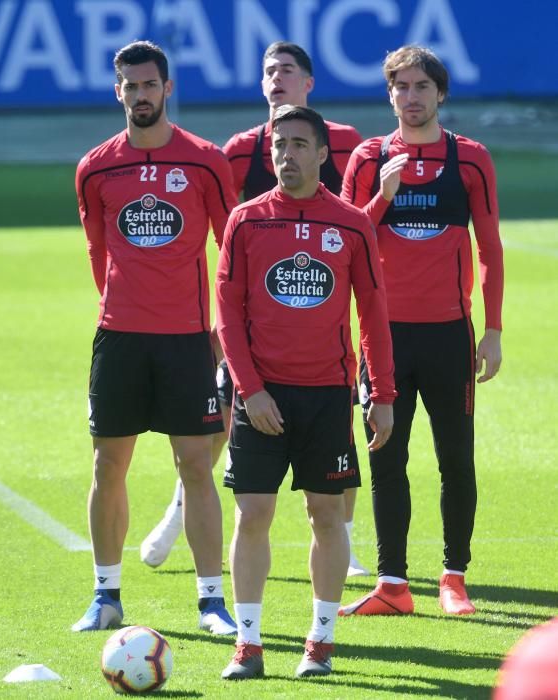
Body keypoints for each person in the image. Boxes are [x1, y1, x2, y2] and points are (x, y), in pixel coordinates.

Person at [141, 41, 370, 578]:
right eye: (268, 71)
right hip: (252, 319)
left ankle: (348, 545)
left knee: (338, 435)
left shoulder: (344, 142)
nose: (276, 79)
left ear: (309, 83)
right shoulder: (241, 150)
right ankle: (177, 519)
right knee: (223, 425)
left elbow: (359, 229)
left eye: (287, 70)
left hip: (321, 312)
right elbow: (223, 232)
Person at [217, 104, 395, 680]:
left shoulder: (352, 224)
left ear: (323, 153)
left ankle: (320, 641)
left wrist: (382, 393)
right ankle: (248, 644)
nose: (285, 155)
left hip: (326, 397)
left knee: (326, 515)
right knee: (253, 515)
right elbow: (227, 313)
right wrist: (251, 391)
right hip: (262, 397)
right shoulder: (245, 220)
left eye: (298, 144)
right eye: (278, 145)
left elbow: (373, 314)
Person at [72, 40, 238, 635]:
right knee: (107, 464)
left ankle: (212, 601)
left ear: (168, 89)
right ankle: (106, 594)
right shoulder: (95, 167)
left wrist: (222, 327)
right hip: (119, 339)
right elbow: (98, 251)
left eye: (149, 85)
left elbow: (232, 251)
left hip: (187, 340)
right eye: (129, 85)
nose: (139, 95)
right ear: (118, 91)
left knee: (196, 464)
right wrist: (123, 304)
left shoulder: (205, 161)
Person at [337, 45, 504, 618]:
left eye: (421, 87)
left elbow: (490, 249)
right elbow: (345, 240)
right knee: (387, 459)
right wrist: (383, 196)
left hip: (450, 337)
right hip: (380, 340)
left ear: (440, 93)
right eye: (401, 87)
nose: (411, 98)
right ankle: (393, 584)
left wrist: (495, 329)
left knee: (456, 457)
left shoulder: (470, 158)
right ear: (389, 95)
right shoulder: (367, 158)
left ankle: (454, 579)